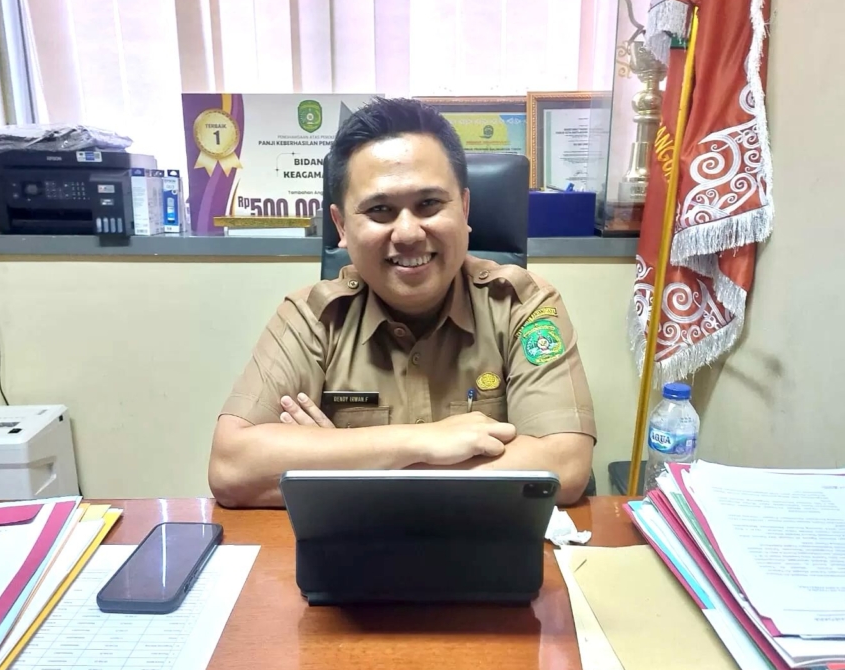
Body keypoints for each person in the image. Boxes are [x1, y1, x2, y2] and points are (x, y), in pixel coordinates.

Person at [208, 97, 597, 508]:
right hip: (353, 542)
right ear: (341, 226)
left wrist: (338, 458)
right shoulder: (312, 317)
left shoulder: (523, 305)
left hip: (482, 540)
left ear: (464, 208)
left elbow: (564, 465)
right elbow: (232, 467)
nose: (408, 233)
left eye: (429, 204)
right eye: (380, 210)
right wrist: (424, 441)